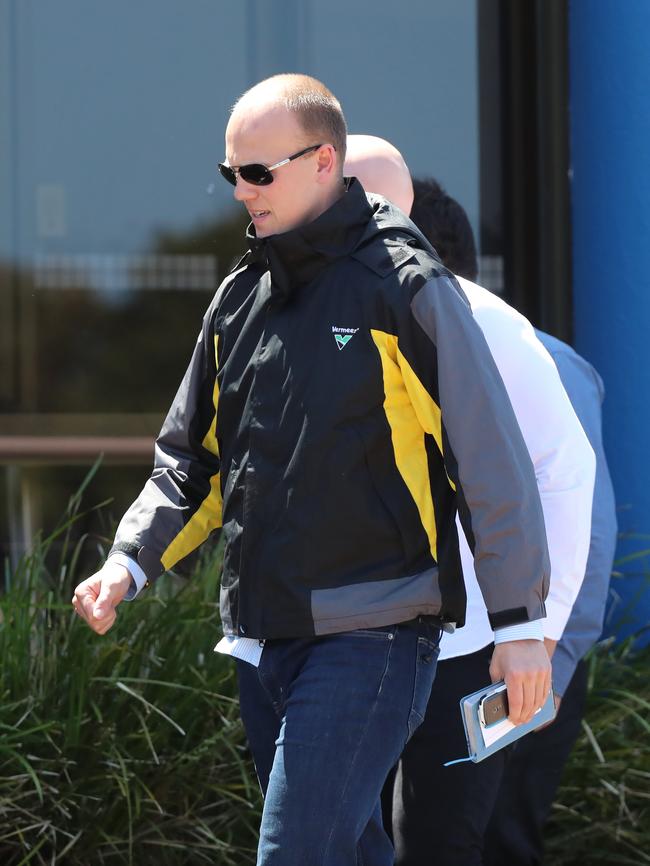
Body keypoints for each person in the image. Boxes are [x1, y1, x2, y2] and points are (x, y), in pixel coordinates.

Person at [72, 75, 553, 866]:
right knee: (349, 850)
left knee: (296, 853)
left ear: (325, 160)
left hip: (376, 635)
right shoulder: (237, 301)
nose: (241, 192)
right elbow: (193, 464)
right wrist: (130, 561)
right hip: (266, 639)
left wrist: (521, 626)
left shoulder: (407, 286)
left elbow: (487, 456)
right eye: (232, 174)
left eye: (259, 172)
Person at [344, 150, 607, 866]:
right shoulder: (330, 331)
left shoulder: (511, 341)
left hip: (491, 659)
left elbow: (572, 492)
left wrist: (547, 647)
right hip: (375, 650)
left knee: (470, 844)